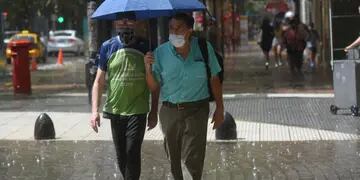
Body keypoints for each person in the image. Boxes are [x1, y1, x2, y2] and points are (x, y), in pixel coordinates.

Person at [144, 13, 224, 180]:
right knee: (174, 158)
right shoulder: (160, 53)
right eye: (171, 28)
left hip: (197, 109)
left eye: (178, 28)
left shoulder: (203, 47)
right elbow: (154, 87)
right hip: (169, 111)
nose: (174, 32)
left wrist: (220, 108)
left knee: (192, 158)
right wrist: (148, 70)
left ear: (189, 30)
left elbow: (215, 78)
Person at [90, 19, 158, 180]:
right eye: (121, 21)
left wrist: (154, 112)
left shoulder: (146, 47)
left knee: (132, 151)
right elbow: (99, 81)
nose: (125, 25)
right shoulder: (108, 46)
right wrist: (94, 111)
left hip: (138, 110)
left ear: (138, 23)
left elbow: (155, 86)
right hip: (115, 109)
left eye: (130, 21)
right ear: (114, 24)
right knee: (121, 156)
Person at [282, 11, 308, 78]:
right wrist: (285, 46)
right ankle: (294, 78)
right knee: (292, 65)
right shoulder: (287, 31)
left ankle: (297, 77)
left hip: (299, 49)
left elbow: (305, 37)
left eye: (294, 23)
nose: (293, 25)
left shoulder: (301, 28)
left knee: (299, 64)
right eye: (292, 24)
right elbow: (284, 40)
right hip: (291, 50)